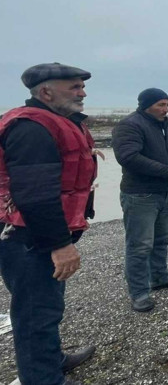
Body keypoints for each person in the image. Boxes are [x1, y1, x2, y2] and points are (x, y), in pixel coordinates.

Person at [0, 63, 98, 385]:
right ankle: (42, 380)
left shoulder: (56, 122)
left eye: (81, 87)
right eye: (74, 87)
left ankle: (51, 360)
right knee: (35, 314)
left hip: (36, 233)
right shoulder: (30, 128)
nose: (82, 92)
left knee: (46, 306)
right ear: (45, 92)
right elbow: (35, 194)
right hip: (27, 237)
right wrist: (60, 244)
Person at [112, 88, 168, 313]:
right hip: (139, 195)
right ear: (146, 105)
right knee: (139, 245)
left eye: (167, 104)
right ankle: (139, 293)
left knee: (162, 238)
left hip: (164, 191)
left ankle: (159, 276)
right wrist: (166, 171)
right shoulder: (130, 125)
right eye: (161, 105)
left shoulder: (166, 124)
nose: (166, 109)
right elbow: (128, 157)